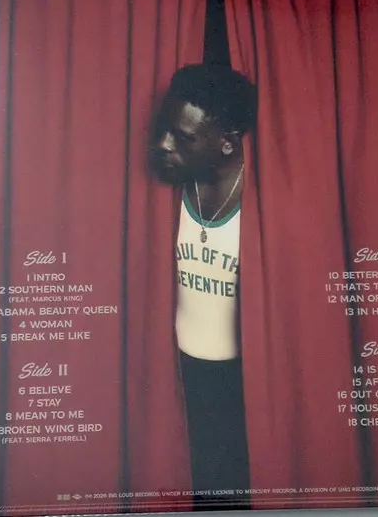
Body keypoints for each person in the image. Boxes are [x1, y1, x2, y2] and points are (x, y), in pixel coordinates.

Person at [150, 64, 257, 509]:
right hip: (177, 376)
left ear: (226, 142)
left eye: (183, 137)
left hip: (242, 386)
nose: (163, 144)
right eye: (164, 130)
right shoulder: (169, 194)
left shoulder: (262, 202)